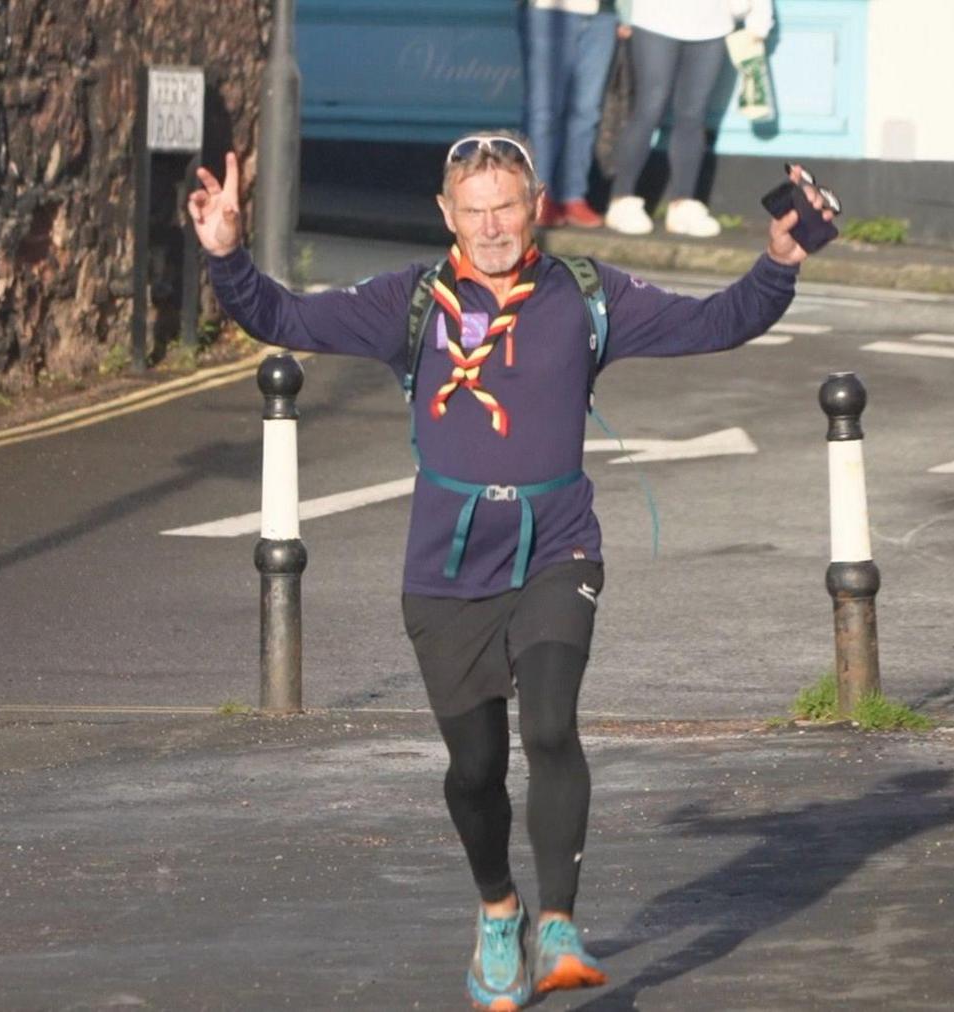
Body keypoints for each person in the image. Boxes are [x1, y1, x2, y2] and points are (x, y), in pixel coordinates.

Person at [189, 135, 831, 1011]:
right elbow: (287, 319)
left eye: (507, 206)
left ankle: (559, 925)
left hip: (557, 542)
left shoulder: (589, 297)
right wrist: (226, 256)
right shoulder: (407, 302)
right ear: (447, 215)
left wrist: (780, 260)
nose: (491, 226)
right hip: (446, 566)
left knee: (553, 728)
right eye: (474, 209)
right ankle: (500, 908)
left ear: (534, 207)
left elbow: (718, 322)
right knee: (475, 770)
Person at [603, 0, 774, 237]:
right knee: (649, 108)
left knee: (693, 115)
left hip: (714, 24)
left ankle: (683, 203)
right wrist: (624, 13)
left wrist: (759, 21)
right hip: (655, 19)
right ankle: (621, 199)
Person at [519, 0, 620, 229]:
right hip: (547, 11)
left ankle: (572, 196)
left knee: (586, 112)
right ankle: (538, 195)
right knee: (544, 112)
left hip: (601, 14)